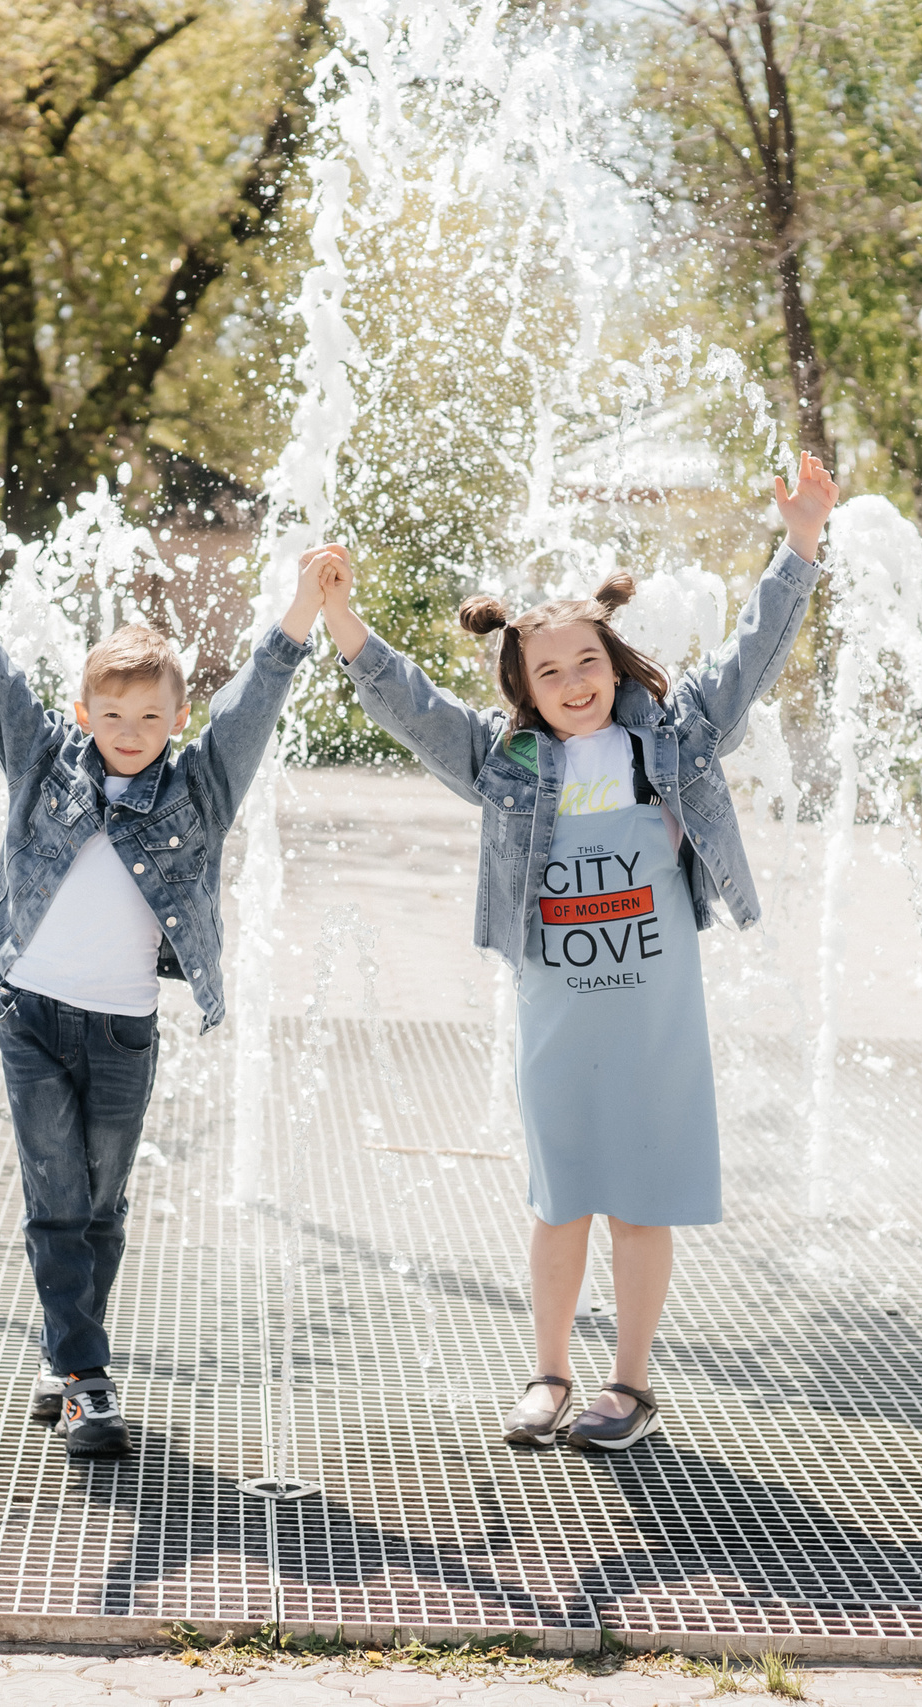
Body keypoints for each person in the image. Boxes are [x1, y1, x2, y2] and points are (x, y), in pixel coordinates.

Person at [312, 453, 837, 1450]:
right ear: (522, 684)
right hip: (559, 1020)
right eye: (546, 672)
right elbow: (414, 708)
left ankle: (628, 1387)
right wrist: (343, 622)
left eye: (585, 663)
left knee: (642, 1203)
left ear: (614, 658)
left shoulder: (671, 741)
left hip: (654, 1017)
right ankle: (548, 1372)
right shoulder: (507, 765)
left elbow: (751, 658)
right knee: (561, 1204)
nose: (571, 684)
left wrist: (799, 543)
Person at [0, 499, 338, 1457]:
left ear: (178, 717)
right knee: (54, 1195)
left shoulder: (199, 787)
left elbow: (257, 699)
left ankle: (62, 1348)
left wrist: (301, 610)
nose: (129, 731)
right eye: (112, 714)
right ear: (84, 713)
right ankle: (89, 1381)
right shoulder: (45, 760)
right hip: (34, 1018)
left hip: (125, 1030)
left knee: (101, 1204)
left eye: (150, 715)